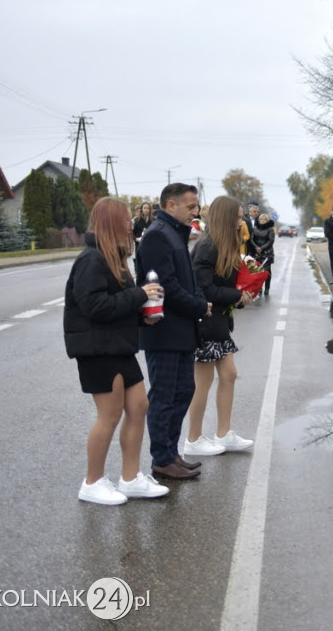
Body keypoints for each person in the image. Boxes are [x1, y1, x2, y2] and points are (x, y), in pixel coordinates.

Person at [66, 197, 169, 505]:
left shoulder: (114, 257)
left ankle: (131, 477)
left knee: (139, 407)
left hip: (119, 346)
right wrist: (139, 295)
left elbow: (121, 304)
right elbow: (96, 307)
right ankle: (92, 482)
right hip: (97, 349)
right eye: (124, 218)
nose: (130, 222)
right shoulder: (92, 260)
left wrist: (144, 314)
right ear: (110, 222)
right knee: (109, 416)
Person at [136, 183, 212, 480]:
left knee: (183, 390)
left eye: (196, 206)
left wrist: (197, 302)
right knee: (165, 395)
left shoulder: (173, 233)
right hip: (164, 330)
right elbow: (164, 284)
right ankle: (162, 459)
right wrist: (198, 306)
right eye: (191, 206)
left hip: (180, 330)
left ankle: (171, 452)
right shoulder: (157, 235)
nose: (196, 211)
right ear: (171, 206)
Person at [185, 195, 256, 457]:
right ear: (226, 218)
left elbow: (223, 288)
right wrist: (236, 296)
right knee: (202, 382)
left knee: (228, 375)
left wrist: (240, 297)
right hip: (204, 321)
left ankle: (224, 434)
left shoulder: (223, 244)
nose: (241, 222)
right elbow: (204, 288)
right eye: (238, 217)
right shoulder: (207, 246)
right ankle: (193, 439)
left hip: (217, 321)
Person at [250, 212, 275, 296]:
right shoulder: (254, 228)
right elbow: (251, 239)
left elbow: (271, 241)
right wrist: (256, 247)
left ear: (267, 220)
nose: (263, 221)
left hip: (267, 253)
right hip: (256, 252)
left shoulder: (270, 229)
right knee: (257, 271)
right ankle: (259, 288)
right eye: (261, 219)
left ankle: (267, 288)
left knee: (267, 272)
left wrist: (262, 248)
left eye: (265, 219)